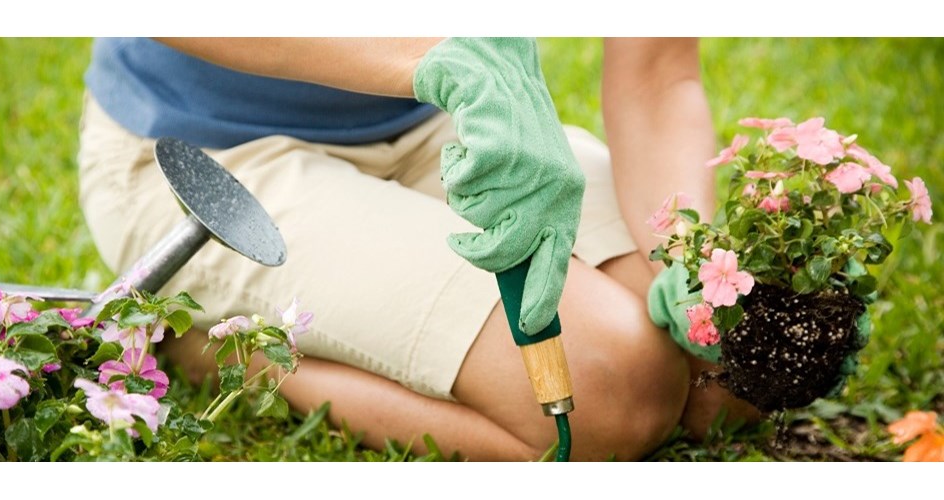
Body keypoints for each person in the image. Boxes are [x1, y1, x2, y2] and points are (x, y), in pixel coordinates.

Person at [78, 37, 758, 461]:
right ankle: (224, 350)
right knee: (607, 401)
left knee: (726, 381)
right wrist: (443, 58)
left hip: (439, 122)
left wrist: (685, 257)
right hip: (212, 157)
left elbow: (657, 75)